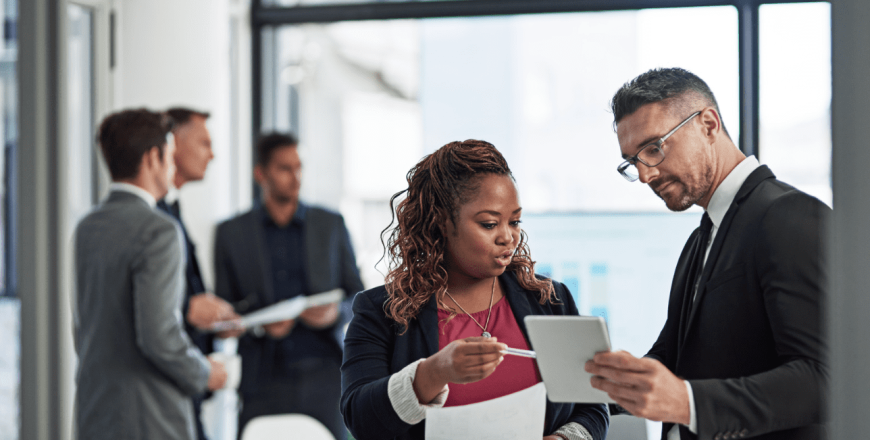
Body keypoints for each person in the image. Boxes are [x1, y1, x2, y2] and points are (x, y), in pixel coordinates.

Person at [584, 68, 828, 440]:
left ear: (709, 125)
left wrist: (687, 402)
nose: (646, 176)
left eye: (654, 148)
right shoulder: (701, 239)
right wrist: (602, 383)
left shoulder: (789, 216)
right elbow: (673, 355)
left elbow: (824, 378)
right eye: (633, 162)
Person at [340, 140, 609, 440]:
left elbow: (593, 402)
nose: (508, 237)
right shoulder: (381, 311)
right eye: (489, 224)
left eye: (515, 221)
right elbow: (360, 419)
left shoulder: (550, 299)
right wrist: (432, 373)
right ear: (441, 222)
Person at [73, 108, 227, 440]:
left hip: (94, 412)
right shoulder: (159, 230)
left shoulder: (86, 227)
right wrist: (205, 373)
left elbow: (83, 327)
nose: (173, 166)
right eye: (171, 154)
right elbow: (159, 337)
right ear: (153, 157)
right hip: (150, 418)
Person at [214, 132, 364, 440]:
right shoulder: (232, 233)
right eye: (285, 168)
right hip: (262, 375)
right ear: (261, 174)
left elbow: (358, 297)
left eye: (298, 167)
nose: (295, 177)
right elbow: (224, 310)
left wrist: (334, 314)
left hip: (324, 372)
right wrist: (259, 325)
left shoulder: (330, 224)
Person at [159, 107, 242, 440]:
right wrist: (188, 308)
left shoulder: (172, 208)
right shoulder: (153, 218)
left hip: (187, 386)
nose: (213, 154)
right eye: (204, 143)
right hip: (167, 393)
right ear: (172, 145)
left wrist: (212, 320)